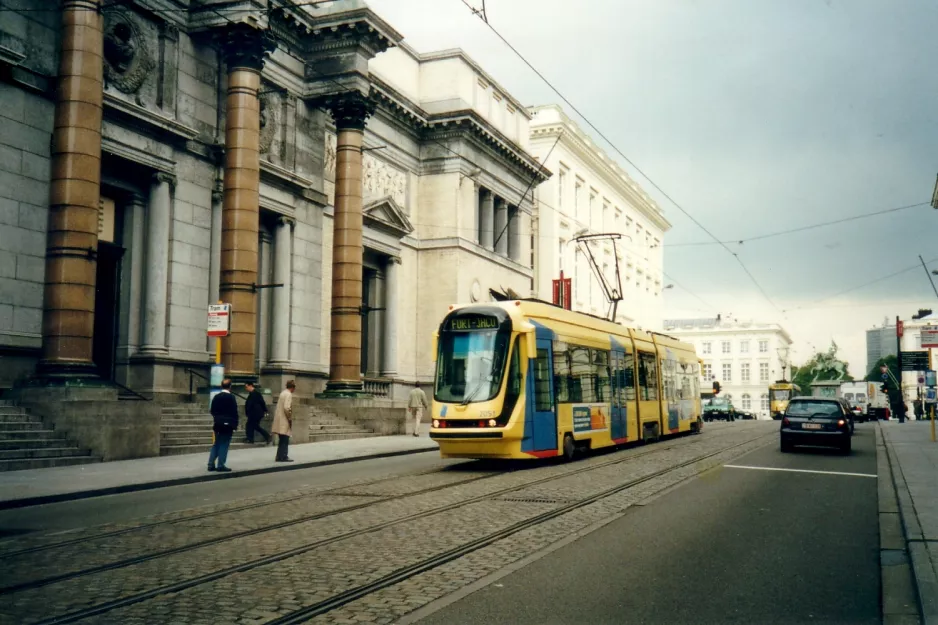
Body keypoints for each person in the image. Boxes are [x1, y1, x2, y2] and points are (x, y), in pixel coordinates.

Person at [208, 378, 239, 472]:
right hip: (228, 424)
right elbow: (234, 412)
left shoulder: (216, 397)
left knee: (216, 443)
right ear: (230, 386)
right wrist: (235, 424)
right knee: (224, 444)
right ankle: (221, 465)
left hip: (217, 424)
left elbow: (212, 410)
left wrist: (217, 418)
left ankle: (210, 464)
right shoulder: (231, 397)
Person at [272, 380, 295, 462]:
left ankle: (279, 456)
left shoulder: (283, 393)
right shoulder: (289, 394)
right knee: (285, 439)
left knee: (281, 439)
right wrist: (289, 417)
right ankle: (283, 456)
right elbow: (286, 407)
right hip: (284, 419)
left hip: (279, 419)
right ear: (292, 388)